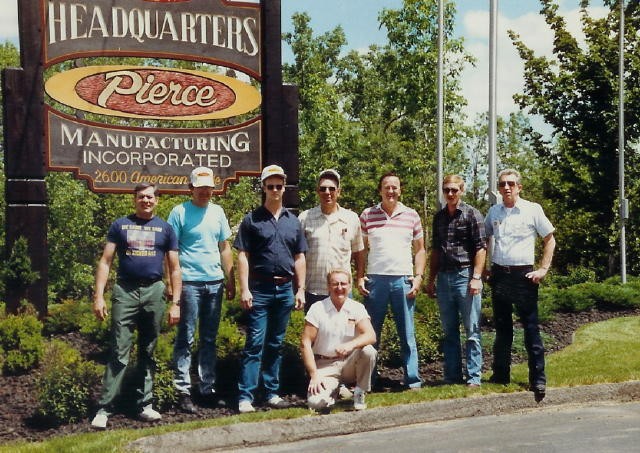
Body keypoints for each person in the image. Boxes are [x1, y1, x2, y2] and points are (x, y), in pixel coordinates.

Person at [90, 183, 182, 430]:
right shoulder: (119, 225)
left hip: (154, 290)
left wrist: (176, 303)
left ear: (157, 201)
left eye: (150, 197)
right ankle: (104, 408)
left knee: (149, 349)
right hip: (125, 290)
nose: (146, 201)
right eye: (141, 197)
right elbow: (105, 262)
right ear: (134, 199)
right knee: (119, 349)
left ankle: (145, 405)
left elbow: (174, 268)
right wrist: (98, 296)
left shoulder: (166, 228)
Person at [233, 164, 308, 413]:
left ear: (284, 188)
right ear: (264, 188)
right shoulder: (251, 220)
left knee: (275, 344)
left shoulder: (293, 222)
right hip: (260, 289)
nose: (275, 190)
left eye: (279, 185)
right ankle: (246, 396)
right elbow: (242, 256)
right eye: (270, 186)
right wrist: (244, 289)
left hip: (285, 289)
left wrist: (300, 289)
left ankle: (271, 392)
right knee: (254, 343)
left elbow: (299, 257)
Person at [167, 167, 235, 413]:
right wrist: (171, 284)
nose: (205, 191)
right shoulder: (179, 212)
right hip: (189, 283)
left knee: (209, 338)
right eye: (200, 187)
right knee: (186, 337)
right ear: (191, 188)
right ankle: (182, 390)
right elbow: (170, 252)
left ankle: (207, 388)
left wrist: (230, 279)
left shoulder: (217, 212)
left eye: (209, 187)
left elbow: (224, 246)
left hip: (214, 282)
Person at [484, 168, 556, 402]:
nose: (507, 188)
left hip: (524, 276)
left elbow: (549, 240)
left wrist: (543, 269)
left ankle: (538, 378)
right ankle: (500, 375)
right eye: (503, 184)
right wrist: (484, 267)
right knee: (503, 329)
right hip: (500, 275)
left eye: (511, 184)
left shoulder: (532, 210)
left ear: (519, 187)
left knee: (531, 329)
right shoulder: (494, 211)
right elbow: (484, 238)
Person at [357, 171, 426, 390]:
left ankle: (412, 380)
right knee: (371, 334)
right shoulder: (368, 215)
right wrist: (360, 276)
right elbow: (361, 250)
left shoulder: (412, 215)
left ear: (400, 190)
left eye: (395, 187)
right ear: (380, 190)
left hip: (403, 279)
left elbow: (420, 250)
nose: (391, 191)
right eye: (387, 187)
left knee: (407, 334)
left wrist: (418, 277)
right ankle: (369, 380)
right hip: (375, 280)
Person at [426, 175, 486, 387]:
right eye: (446, 190)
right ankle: (452, 376)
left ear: (461, 190)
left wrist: (476, 278)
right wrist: (431, 279)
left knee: (472, 330)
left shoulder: (472, 214)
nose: (450, 194)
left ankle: (474, 377)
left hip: (465, 276)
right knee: (449, 331)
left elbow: (480, 247)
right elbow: (435, 250)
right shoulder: (439, 217)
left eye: (454, 190)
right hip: (444, 278)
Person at [301, 269, 377, 411]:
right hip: (325, 365)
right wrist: (314, 375)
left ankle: (359, 392)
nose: (339, 288)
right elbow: (305, 343)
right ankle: (333, 392)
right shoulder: (317, 309)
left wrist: (351, 345)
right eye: (335, 284)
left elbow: (371, 335)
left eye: (343, 284)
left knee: (368, 351)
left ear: (349, 285)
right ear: (328, 287)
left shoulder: (356, 308)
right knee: (316, 404)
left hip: (349, 362)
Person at [298, 169, 364, 312]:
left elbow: (359, 252)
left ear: (339, 191)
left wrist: (360, 278)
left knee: (344, 333)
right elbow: (298, 256)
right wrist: (298, 288)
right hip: (313, 291)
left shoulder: (351, 219)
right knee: (315, 333)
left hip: (342, 290)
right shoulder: (304, 218)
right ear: (317, 191)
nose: (327, 192)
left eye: (332, 188)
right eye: (323, 189)